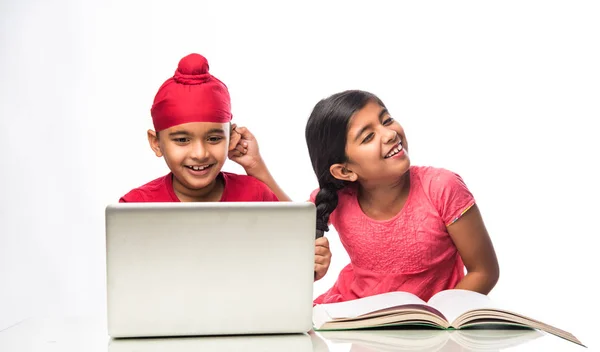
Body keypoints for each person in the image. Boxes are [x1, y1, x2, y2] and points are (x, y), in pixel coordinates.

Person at [120, 53, 331, 279]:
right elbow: (130, 282)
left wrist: (311, 265)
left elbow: (298, 243)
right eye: (182, 140)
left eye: (214, 139)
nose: (200, 153)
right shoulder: (135, 206)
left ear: (231, 138)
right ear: (156, 143)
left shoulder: (254, 193)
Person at [305, 90, 499, 303]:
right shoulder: (333, 200)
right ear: (344, 171)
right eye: (368, 136)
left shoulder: (442, 188)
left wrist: (438, 318)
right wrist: (308, 270)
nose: (389, 134)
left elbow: (484, 272)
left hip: (433, 326)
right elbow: (279, 240)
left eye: (386, 120)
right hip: (354, 319)